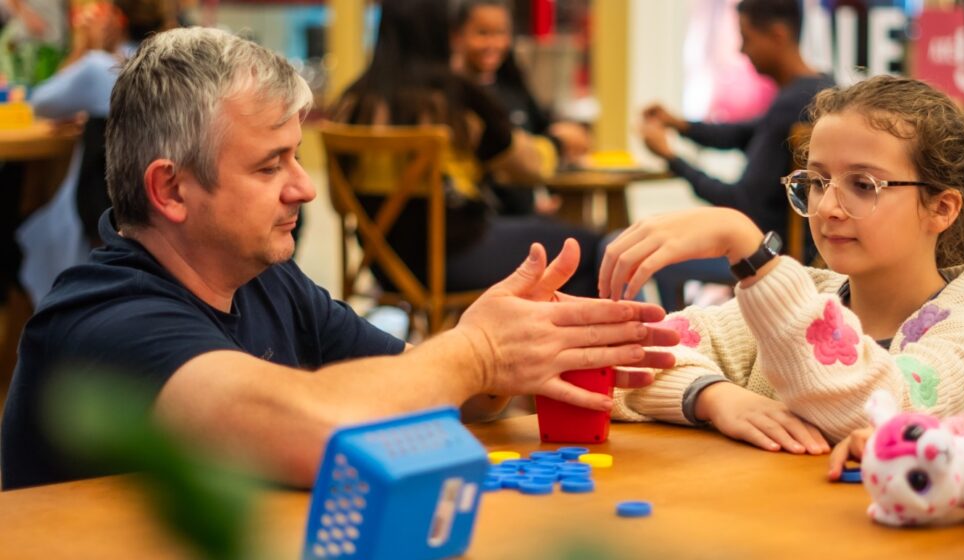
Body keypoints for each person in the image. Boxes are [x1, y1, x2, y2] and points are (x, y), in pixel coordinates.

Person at [0, 27, 679, 491]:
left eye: (297, 155)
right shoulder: (106, 320)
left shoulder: (266, 279)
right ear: (171, 189)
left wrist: (504, 352)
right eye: (272, 165)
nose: (305, 187)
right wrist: (474, 352)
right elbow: (316, 430)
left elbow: (404, 388)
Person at [600, 76, 964, 481]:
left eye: (863, 185)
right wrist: (715, 397)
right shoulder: (813, 291)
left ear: (942, 208)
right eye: (816, 182)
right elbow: (622, 358)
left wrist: (750, 251)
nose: (828, 206)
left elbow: (878, 411)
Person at [331, 0, 603, 297]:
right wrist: (558, 142)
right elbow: (527, 166)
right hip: (456, 258)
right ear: (442, 33)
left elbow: (339, 203)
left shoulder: (352, 102)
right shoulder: (455, 98)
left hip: (383, 268)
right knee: (590, 251)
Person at [638, 0, 833, 310]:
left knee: (640, 251)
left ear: (778, 35)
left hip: (770, 251)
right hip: (807, 252)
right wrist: (680, 125)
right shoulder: (821, 90)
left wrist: (671, 159)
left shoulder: (787, 106)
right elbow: (744, 133)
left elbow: (739, 203)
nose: (742, 50)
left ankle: (668, 347)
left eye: (747, 38)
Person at [16, 0, 169, 308]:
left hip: (92, 225)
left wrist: (85, 46)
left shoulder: (99, 67)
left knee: (17, 224)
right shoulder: (169, 69)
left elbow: (41, 103)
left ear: (117, 18)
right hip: (154, 223)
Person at [451, 0, 589, 217]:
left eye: (501, 33)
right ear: (456, 36)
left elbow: (543, 127)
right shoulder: (460, 96)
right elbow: (515, 160)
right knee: (591, 240)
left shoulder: (512, 85)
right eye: (482, 33)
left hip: (524, 212)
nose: (493, 43)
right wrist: (558, 144)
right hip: (486, 219)